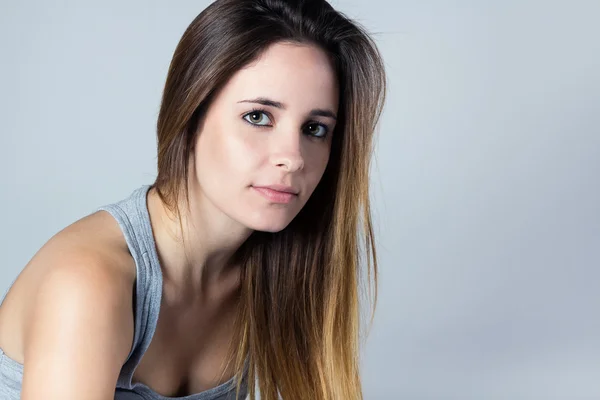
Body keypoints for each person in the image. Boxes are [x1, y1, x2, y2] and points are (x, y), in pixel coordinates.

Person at [0, 0, 386, 398]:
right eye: (258, 117)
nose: (293, 157)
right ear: (191, 114)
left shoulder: (275, 275)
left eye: (315, 128)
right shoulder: (88, 284)